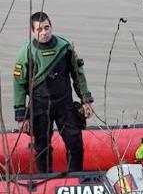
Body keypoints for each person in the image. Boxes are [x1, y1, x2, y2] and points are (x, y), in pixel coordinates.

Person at [13, 12, 94, 173]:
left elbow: (78, 75)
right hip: (39, 107)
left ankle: (75, 179)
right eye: (39, 29)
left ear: (51, 26)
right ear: (32, 31)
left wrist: (86, 100)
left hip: (65, 105)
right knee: (42, 148)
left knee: (75, 144)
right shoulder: (26, 53)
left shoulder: (65, 47)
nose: (44, 32)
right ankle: (45, 181)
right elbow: (19, 84)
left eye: (46, 27)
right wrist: (21, 116)